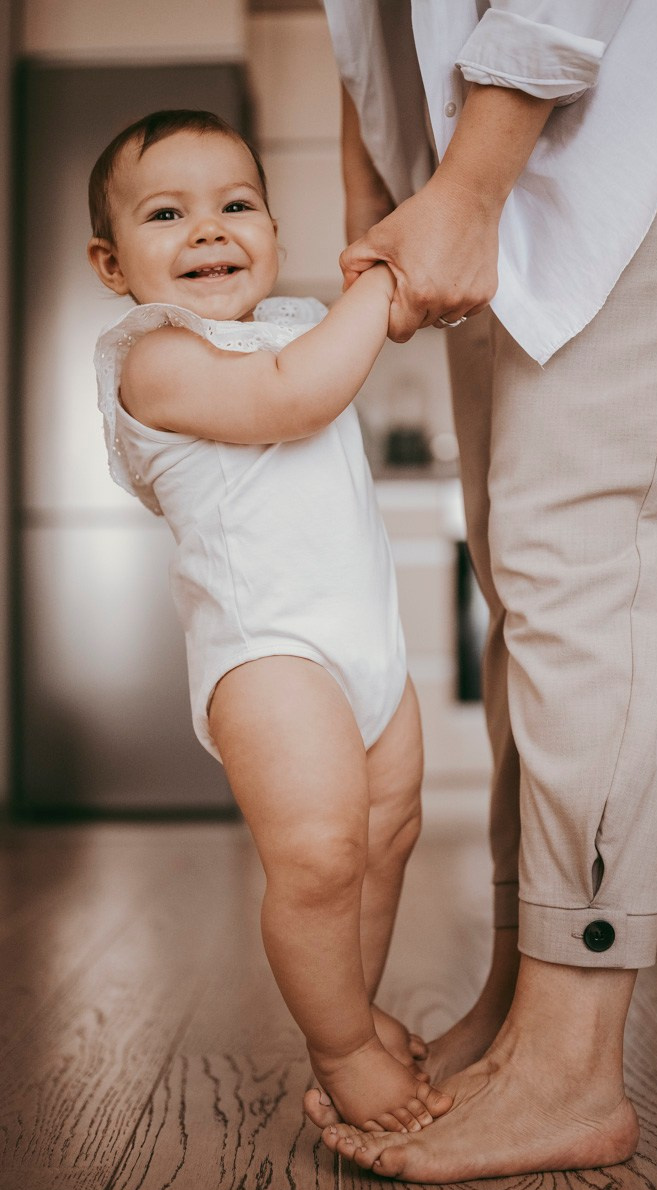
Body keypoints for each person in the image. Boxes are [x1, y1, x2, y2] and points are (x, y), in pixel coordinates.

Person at [309, 0, 657, 1182]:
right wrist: (385, 169)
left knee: (585, 538)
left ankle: (571, 1057)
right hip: (494, 112)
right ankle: (526, 1000)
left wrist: (470, 184)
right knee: (523, 562)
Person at [86, 108, 453, 1134]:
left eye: (236, 204)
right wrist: (383, 279)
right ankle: (338, 1048)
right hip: (269, 656)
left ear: (276, 236)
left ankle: (358, 1008)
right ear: (112, 265)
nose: (209, 230)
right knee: (321, 855)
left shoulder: (293, 321)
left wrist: (373, 275)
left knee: (388, 837)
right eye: (169, 214)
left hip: (366, 644)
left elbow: (316, 362)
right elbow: (292, 399)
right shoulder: (152, 357)